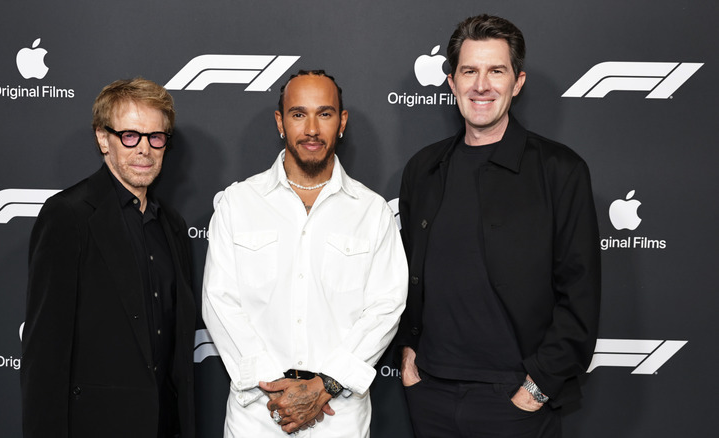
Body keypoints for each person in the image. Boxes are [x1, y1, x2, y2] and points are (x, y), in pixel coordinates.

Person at [396, 14, 601, 437]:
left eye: (496, 71)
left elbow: (580, 299)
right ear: (452, 82)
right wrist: (409, 359)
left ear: (518, 82)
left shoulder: (559, 170)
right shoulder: (423, 169)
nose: (481, 85)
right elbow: (400, 274)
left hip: (515, 402)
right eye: (469, 71)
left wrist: (535, 389)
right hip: (430, 394)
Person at [202, 70, 407, 437]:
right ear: (280, 122)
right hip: (257, 416)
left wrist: (324, 385)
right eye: (298, 114)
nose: (311, 128)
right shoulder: (238, 204)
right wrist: (278, 388)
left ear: (341, 122)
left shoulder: (372, 211)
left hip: (338, 418)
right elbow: (220, 302)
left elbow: (386, 307)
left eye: (325, 114)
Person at [21, 78, 196, 438]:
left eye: (155, 137)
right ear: (103, 138)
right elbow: (45, 357)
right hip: (96, 425)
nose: (144, 149)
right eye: (130, 136)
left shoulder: (173, 226)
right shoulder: (68, 216)